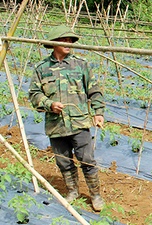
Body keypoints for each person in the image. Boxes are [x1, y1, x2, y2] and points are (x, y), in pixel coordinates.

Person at [28, 25, 105, 211]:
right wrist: (49, 104)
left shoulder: (81, 64)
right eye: (64, 40)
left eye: (71, 40)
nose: (69, 43)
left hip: (79, 122)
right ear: (54, 43)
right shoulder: (42, 69)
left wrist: (98, 112)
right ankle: (72, 191)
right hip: (56, 125)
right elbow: (34, 94)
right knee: (63, 161)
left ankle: (95, 195)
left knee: (87, 160)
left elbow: (94, 90)